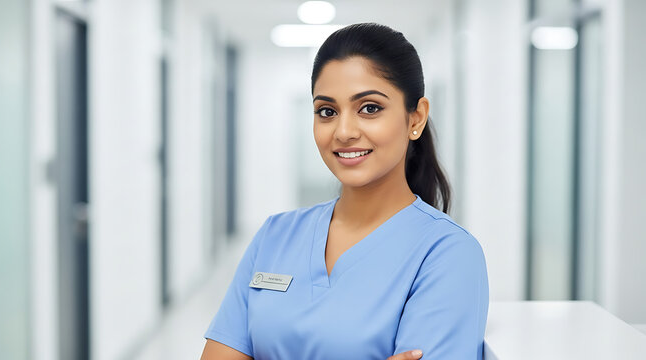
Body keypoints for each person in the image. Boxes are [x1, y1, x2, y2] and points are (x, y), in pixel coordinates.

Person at [200, 22, 489, 360]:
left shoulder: (447, 255)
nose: (344, 131)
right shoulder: (275, 236)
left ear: (416, 118)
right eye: (327, 111)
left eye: (369, 108)